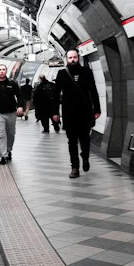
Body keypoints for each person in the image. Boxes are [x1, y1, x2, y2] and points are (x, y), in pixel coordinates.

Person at [54, 49, 101, 178]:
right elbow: (56, 94)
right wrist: (55, 112)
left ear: (78, 58)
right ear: (66, 59)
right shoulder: (62, 73)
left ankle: (85, 156)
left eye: (74, 57)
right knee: (72, 141)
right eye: (70, 58)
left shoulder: (87, 72)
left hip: (85, 112)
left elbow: (93, 91)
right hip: (69, 113)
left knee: (85, 139)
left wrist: (97, 109)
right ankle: (74, 167)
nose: (72, 60)